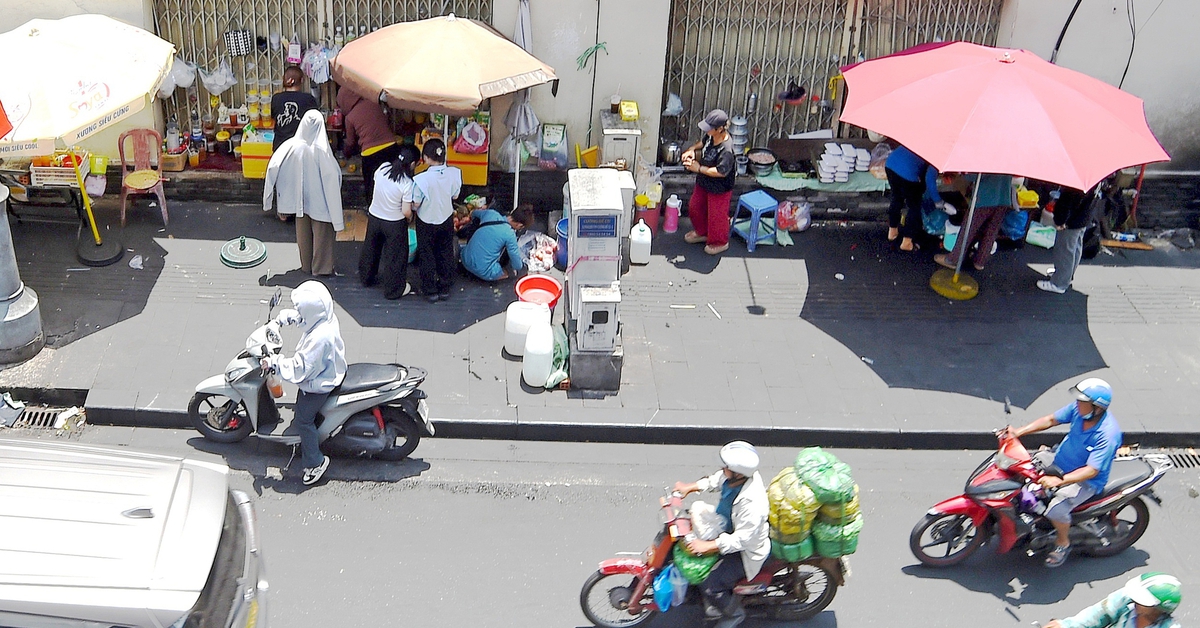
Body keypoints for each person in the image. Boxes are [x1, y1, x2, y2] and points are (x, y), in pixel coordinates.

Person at [1008, 377, 1121, 568]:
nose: (1077, 404)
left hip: (1085, 481)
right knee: (1020, 467)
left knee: (1055, 510)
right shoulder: (1079, 411)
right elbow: (1051, 420)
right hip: (1059, 461)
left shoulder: (1107, 434)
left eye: (1082, 401)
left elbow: (1092, 470)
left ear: (1097, 407)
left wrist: (1058, 482)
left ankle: (1062, 543)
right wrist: (1018, 432)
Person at [673, 441, 770, 628]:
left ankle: (734, 614)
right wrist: (689, 487)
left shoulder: (752, 503)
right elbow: (716, 480)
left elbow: (742, 539)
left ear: (738, 472)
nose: (723, 468)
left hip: (745, 551)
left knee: (710, 582)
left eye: (727, 467)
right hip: (726, 528)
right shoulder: (734, 478)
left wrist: (707, 545)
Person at [262, 281, 347, 486]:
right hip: (333, 369)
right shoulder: (325, 318)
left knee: (303, 420)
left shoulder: (319, 339)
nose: (299, 311)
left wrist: (275, 363)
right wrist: (283, 319)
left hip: (320, 385)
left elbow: (300, 369)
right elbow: (305, 319)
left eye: (301, 308)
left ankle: (315, 462)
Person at [263, 109, 344, 276]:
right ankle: (321, 269)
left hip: (298, 199)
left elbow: (272, 167)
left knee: (303, 235)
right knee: (323, 236)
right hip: (321, 202)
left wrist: (270, 199)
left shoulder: (290, 146)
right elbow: (331, 179)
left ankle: (306, 265)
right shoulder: (322, 151)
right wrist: (337, 218)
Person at [358, 143, 421, 299]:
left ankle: (366, 277)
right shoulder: (407, 183)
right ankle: (393, 290)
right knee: (395, 257)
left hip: (374, 217)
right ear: (412, 164)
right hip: (394, 223)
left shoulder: (382, 168)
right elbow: (406, 211)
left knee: (371, 249)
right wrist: (411, 218)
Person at [412, 138, 462, 303]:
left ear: (425, 158)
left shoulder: (421, 180)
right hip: (446, 218)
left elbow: (416, 204)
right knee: (445, 251)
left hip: (425, 221)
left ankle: (430, 290)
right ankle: (445, 287)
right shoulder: (455, 173)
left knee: (426, 254)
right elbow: (455, 195)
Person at [681, 109, 736, 256]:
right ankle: (702, 232)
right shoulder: (711, 136)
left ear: (720, 129)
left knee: (716, 216)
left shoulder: (727, 150)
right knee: (695, 207)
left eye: (710, 128)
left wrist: (699, 168)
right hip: (704, 182)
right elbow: (702, 142)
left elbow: (720, 172)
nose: (707, 131)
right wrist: (691, 150)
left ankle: (720, 242)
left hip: (719, 188)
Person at [935, 174, 1017, 272]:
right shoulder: (1008, 158)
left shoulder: (986, 158)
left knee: (968, 229)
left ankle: (953, 260)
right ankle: (980, 262)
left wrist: (961, 173)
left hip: (985, 199)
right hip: (1004, 199)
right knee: (991, 232)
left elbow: (973, 176)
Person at [1044, 572, 1182, 628]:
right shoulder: (1127, 598)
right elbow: (1097, 614)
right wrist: (1067, 625)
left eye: (1143, 601)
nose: (1136, 601)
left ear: (1159, 608)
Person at [336, 86, 401, 204]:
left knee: (372, 186)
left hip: (371, 154)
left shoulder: (350, 117)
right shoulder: (373, 103)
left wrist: (346, 153)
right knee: (392, 180)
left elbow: (350, 142)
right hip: (391, 147)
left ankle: (373, 211)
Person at [1038, 184, 1097, 294]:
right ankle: (1066, 275)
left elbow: (1068, 202)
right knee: (1075, 247)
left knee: (1065, 250)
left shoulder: (1075, 185)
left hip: (1071, 220)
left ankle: (1059, 283)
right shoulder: (1090, 180)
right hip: (1084, 216)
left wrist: (1060, 221)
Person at [885, 144, 944, 252]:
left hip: (890, 164)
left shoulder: (924, 137)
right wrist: (938, 201)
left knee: (896, 197)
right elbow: (930, 179)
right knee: (914, 207)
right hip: (907, 173)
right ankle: (906, 242)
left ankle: (892, 231)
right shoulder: (939, 153)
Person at [461, 205, 530, 281]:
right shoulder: (509, 234)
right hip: (483, 271)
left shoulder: (491, 213)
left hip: (464, 259)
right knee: (509, 273)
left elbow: (474, 213)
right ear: (519, 225)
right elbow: (517, 265)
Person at [271, 66, 319, 151]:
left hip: (280, 147)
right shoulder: (308, 99)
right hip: (301, 148)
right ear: (302, 80)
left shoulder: (276, 98)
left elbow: (273, 118)